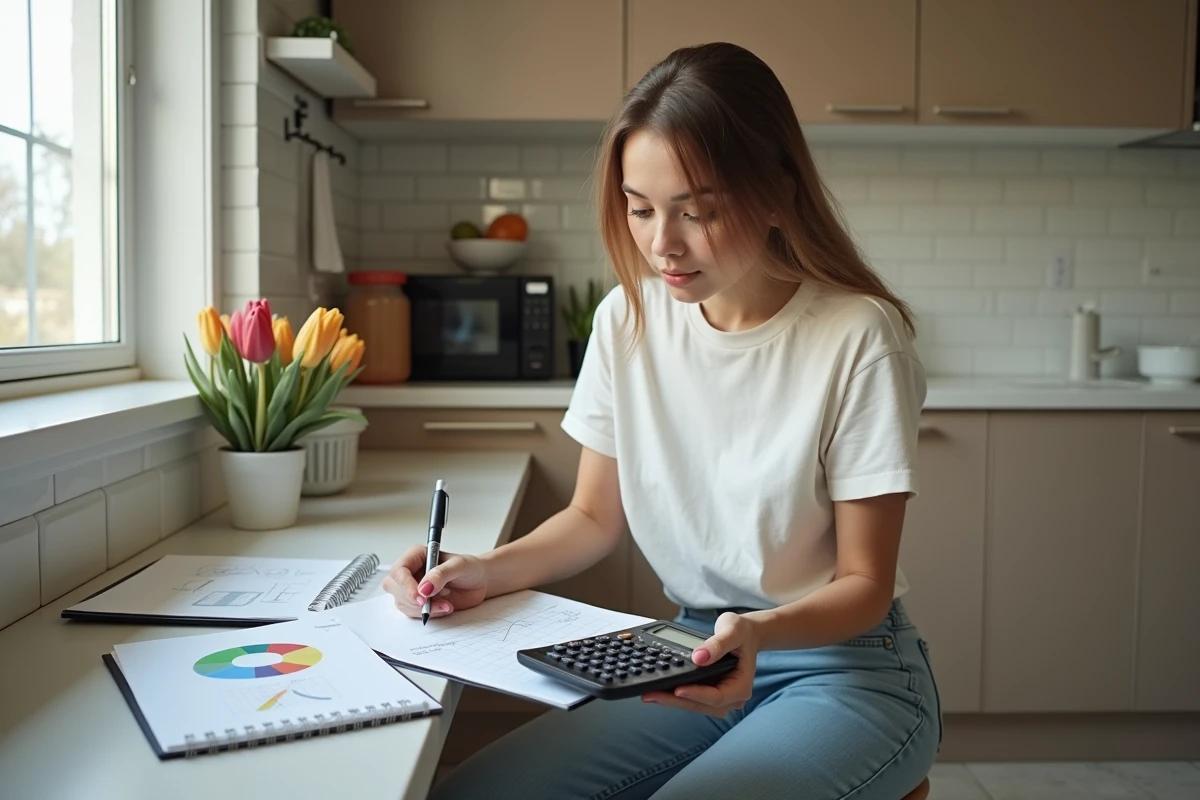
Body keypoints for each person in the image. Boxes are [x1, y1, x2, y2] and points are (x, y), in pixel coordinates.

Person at [383, 41, 941, 800]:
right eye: (639, 209)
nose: (661, 244)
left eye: (697, 211)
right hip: (689, 650)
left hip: (846, 671)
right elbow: (590, 517)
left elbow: (867, 584)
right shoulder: (628, 318)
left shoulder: (858, 335)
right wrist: (484, 569)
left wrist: (760, 635)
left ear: (779, 191)